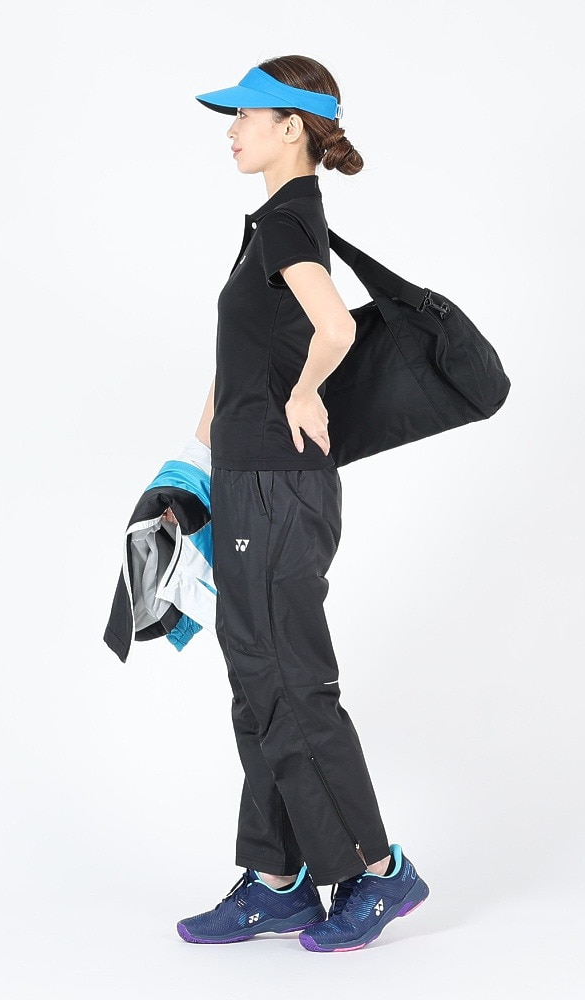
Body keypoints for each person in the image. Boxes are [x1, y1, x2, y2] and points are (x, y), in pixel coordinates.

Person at [170, 55, 429, 953]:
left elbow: (336, 327)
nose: (232, 129)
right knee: (258, 684)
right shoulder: (268, 227)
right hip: (248, 479)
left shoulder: (288, 221)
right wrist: (195, 457)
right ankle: (276, 880)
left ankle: (377, 872)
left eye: (247, 115)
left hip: (280, 487)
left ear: (292, 127)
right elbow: (251, 353)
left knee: (290, 682)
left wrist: (306, 393)